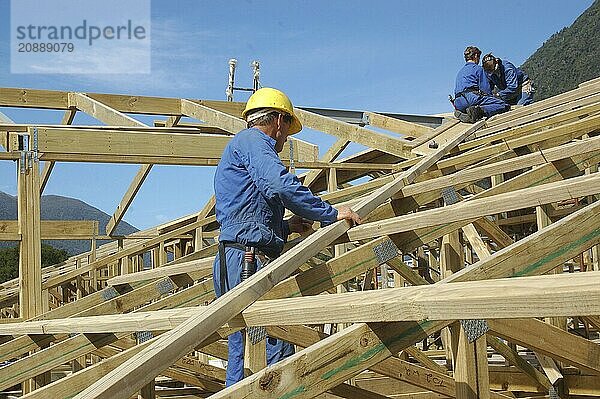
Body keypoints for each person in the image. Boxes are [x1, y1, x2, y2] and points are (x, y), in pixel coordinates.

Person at [212, 87, 361, 386]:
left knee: (241, 347)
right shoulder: (255, 141)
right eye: (287, 130)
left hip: (237, 255)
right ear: (279, 121)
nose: (286, 138)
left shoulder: (241, 146)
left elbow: (247, 214)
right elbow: (280, 186)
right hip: (248, 260)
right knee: (276, 344)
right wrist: (331, 213)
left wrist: (287, 227)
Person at [453, 46, 510, 123]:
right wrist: (494, 98)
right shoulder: (478, 69)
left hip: (458, 102)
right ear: (476, 56)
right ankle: (479, 111)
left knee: (471, 105)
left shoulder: (460, 72)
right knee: (502, 105)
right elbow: (486, 90)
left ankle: (465, 113)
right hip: (471, 98)